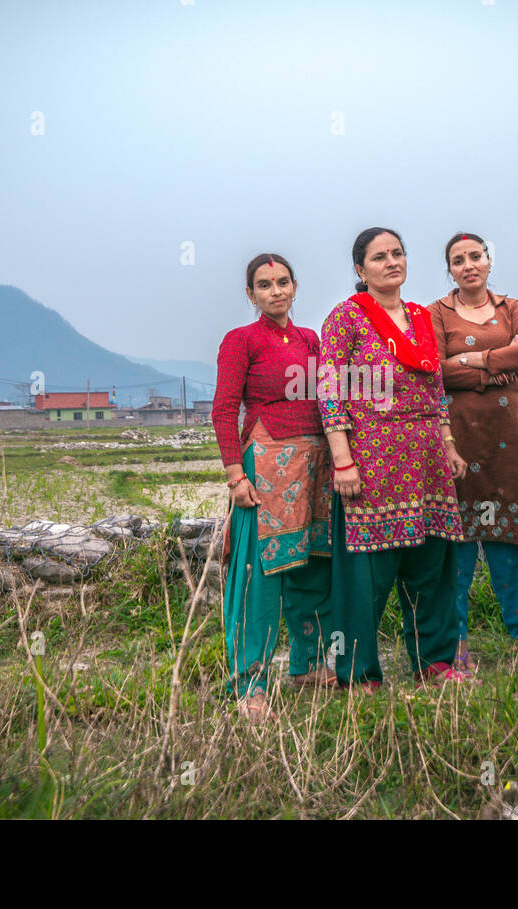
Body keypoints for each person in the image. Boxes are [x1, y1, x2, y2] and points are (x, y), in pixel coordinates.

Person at [319, 227, 471, 690]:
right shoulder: (345, 318)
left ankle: (435, 662)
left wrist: (447, 445)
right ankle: (357, 669)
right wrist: (342, 459)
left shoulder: (422, 317)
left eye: (398, 253)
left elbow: (435, 389)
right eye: (379, 256)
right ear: (360, 270)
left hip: (425, 460)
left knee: (433, 565)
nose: (391, 262)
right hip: (372, 459)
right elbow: (330, 390)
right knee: (367, 574)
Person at [212, 253, 336, 723]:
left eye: (283, 282)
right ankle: (250, 682)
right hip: (263, 465)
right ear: (251, 295)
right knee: (258, 578)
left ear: (295, 286)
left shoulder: (310, 339)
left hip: (314, 463)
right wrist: (234, 475)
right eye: (265, 285)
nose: (276, 291)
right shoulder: (240, 341)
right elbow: (223, 410)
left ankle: (306, 665)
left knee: (311, 564)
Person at [427, 233, 518, 672]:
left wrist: (471, 362)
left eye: (475, 257)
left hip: (509, 441)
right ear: (450, 269)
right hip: (456, 438)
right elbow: (434, 370)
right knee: (455, 539)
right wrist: (492, 366)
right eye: (458, 260)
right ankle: (453, 637)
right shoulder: (436, 314)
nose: (468, 265)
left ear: (488, 261)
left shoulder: (511, 308)